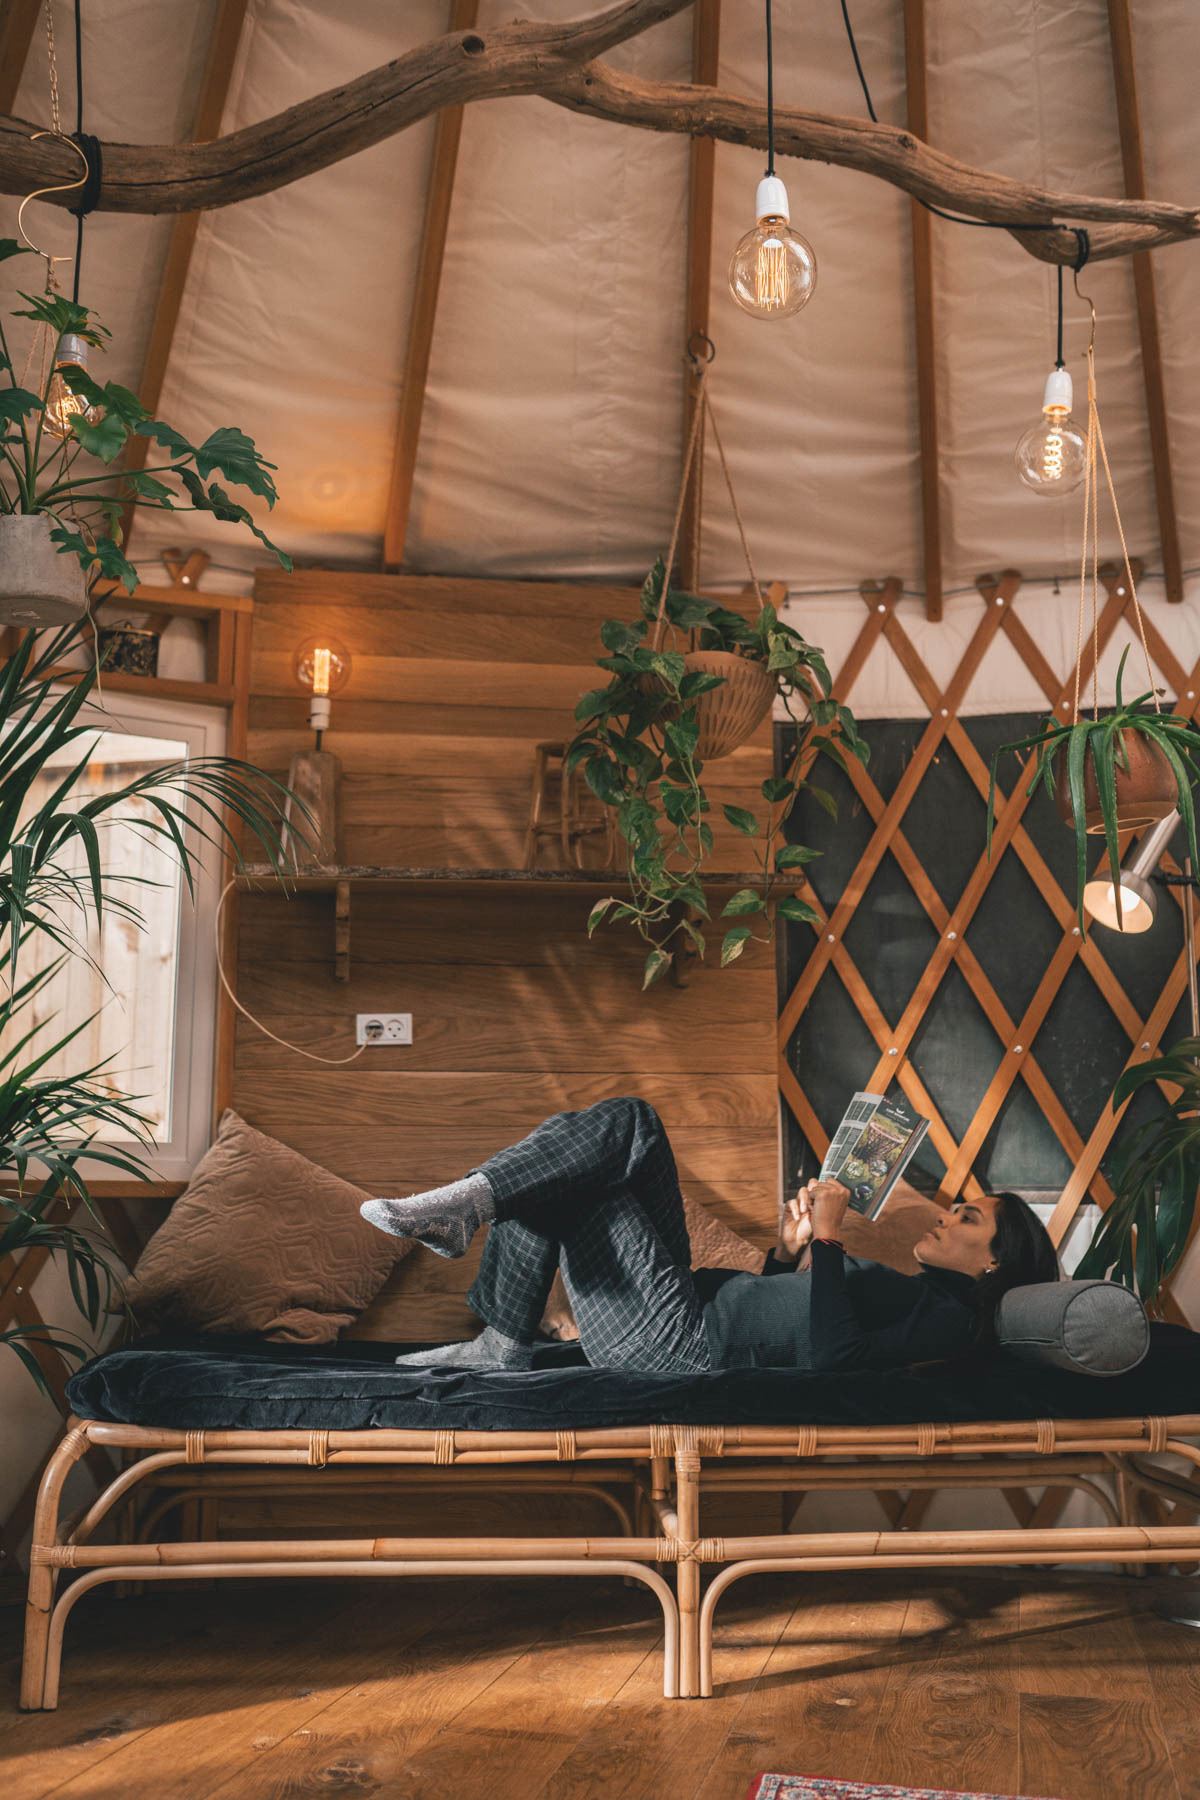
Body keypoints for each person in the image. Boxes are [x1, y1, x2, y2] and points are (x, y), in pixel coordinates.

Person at [360, 1096, 1060, 1374]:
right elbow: (783, 1319)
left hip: (682, 1344)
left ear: (995, 1264)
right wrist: (787, 1253)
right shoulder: (918, 1296)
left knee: (574, 1175)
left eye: (967, 1219)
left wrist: (828, 1240)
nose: (945, 1215)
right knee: (630, 1125)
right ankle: (474, 1214)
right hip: (685, 1308)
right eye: (957, 1208)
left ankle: (498, 1324)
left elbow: (834, 1358)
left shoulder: (948, 1321)